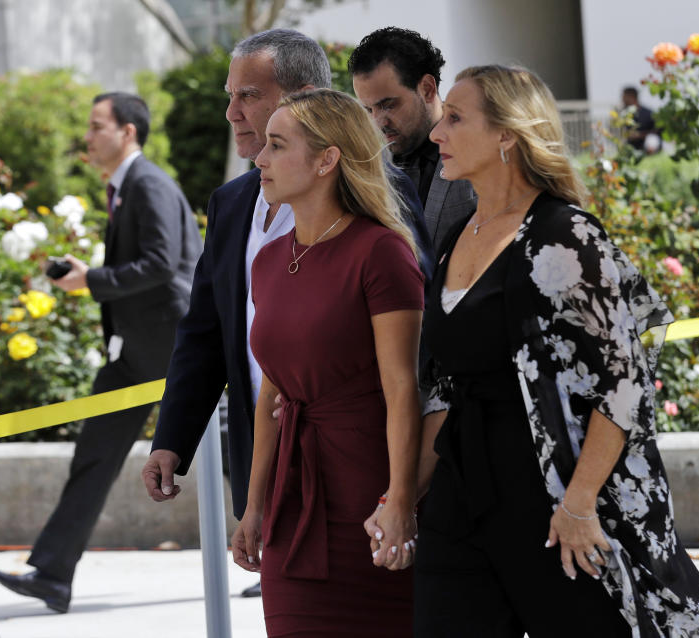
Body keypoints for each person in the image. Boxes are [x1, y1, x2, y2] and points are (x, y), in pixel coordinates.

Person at [366, 65, 699, 637]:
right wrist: (403, 496)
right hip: (462, 492)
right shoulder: (458, 235)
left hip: (549, 498)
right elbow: (447, 388)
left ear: (507, 135)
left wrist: (579, 505)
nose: (438, 133)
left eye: (455, 118)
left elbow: (622, 385)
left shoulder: (565, 235)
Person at [141, 29, 427, 600]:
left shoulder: (383, 201)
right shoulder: (230, 203)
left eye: (248, 95)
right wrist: (171, 438)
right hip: (268, 463)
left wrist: (401, 493)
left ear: (308, 96)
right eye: (231, 96)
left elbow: (412, 361)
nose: (231, 113)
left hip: (363, 467)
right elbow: (205, 332)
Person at [0, 92, 202, 613]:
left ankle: (281, 560)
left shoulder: (147, 183)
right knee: (96, 452)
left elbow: (161, 263)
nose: (87, 137)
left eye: (96, 126)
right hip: (138, 350)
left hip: (173, 346)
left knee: (234, 452)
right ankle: (53, 573)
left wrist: (92, 280)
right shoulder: (128, 186)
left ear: (127, 132)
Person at [234, 87, 422, 637]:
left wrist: (400, 502)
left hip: (367, 497)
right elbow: (272, 394)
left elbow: (403, 388)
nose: (258, 159)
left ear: (327, 159)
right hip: (293, 498)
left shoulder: (382, 251)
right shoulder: (268, 261)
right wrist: (254, 506)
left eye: (275, 145)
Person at [350, 27, 476, 254]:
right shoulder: (368, 167)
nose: (378, 122)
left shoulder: (478, 153)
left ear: (427, 89)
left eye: (388, 105)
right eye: (368, 109)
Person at [621, 85, 661, 153]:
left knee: (652, 139)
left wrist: (639, 135)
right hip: (630, 146)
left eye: (624, 97)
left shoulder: (648, 113)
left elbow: (657, 131)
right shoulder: (624, 114)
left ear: (631, 97)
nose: (622, 99)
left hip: (646, 145)